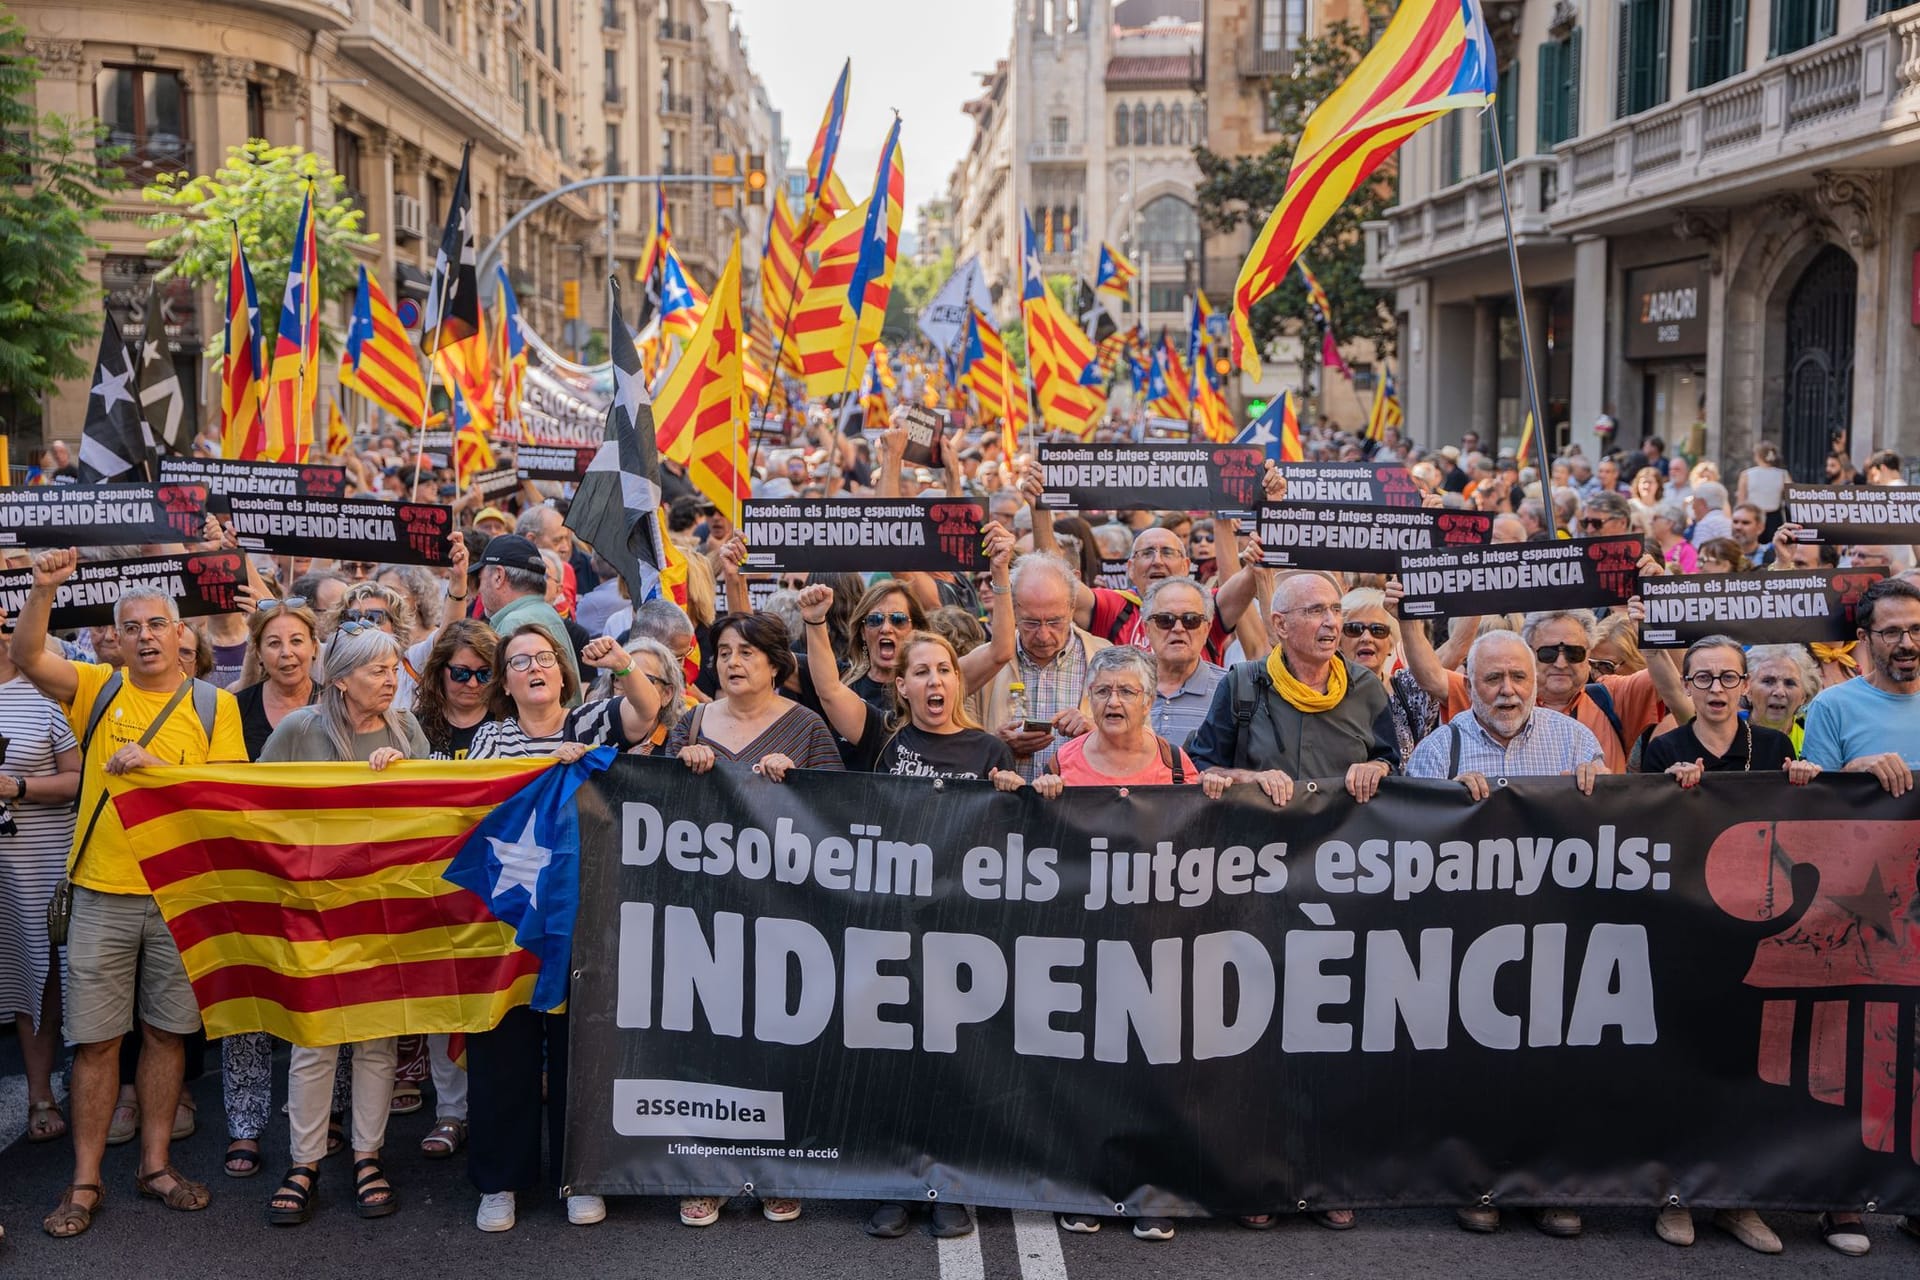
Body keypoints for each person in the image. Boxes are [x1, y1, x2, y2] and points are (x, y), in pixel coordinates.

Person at [13, 549, 246, 1238]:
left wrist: (159, 768)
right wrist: (44, 590)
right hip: (102, 893)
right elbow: (28, 656)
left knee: (166, 1034)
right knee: (96, 1043)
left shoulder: (215, 706)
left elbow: (228, 800)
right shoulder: (96, 686)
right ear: (114, 638)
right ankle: (85, 1183)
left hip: (179, 895)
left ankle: (154, 1166)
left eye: (157, 623)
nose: (145, 634)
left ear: (182, 635)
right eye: (131, 625)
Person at [466, 628, 673, 1234]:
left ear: (562, 673)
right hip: (508, 925)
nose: (533, 668)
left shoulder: (592, 722)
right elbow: (464, 803)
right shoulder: (490, 737)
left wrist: (622, 662)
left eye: (544, 659)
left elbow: (646, 712)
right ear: (505, 682)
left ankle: (580, 1175)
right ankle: (499, 1181)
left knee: (582, 1050)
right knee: (504, 1049)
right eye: (518, 661)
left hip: (587, 918)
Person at [1403, 630, 1601, 1239]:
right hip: (1469, 941)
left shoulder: (1578, 742)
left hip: (1554, 932)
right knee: (1474, 1065)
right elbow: (1405, 839)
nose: (1507, 691)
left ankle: (1550, 1189)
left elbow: (1612, 834)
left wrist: (1603, 794)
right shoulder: (1441, 749)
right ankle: (1478, 1186)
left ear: (1536, 681)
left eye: (1518, 677)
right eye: (1493, 679)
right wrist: (1443, 805)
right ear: (1471, 682)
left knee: (1553, 1062)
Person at [1639, 636, 1815, 1254]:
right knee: (1682, 1065)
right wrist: (1664, 790)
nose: (1716, 689)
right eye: (1704, 678)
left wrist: (1805, 782)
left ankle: (1738, 1201)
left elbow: (1805, 827)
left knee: (1747, 1068)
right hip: (1683, 929)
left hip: (1755, 931)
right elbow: (1637, 833)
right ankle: (1677, 1195)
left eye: (1728, 678)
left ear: (1745, 686)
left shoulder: (1771, 747)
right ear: (1686, 685)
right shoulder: (1663, 748)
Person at [664, 612, 837, 1229]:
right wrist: (678, 765)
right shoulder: (689, 723)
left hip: (782, 914)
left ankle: (775, 1171)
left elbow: (841, 816)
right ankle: (709, 1175)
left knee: (777, 1041)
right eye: (724, 652)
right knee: (708, 1044)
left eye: (747, 653)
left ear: (775, 663)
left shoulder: (807, 726)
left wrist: (801, 783)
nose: (733, 663)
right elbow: (655, 810)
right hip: (705, 912)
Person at [258, 624, 431, 1227]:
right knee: (315, 1038)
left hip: (382, 911)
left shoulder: (406, 730)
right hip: (315, 910)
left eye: (392, 668)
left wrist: (405, 772)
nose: (390, 679)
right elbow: (256, 805)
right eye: (377, 669)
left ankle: (366, 1156)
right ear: (340, 680)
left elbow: (430, 817)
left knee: (376, 1039)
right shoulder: (298, 730)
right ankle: (303, 1163)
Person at [1029, 644, 1199, 1243]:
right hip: (1081, 944)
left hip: (1158, 943)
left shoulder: (1180, 766)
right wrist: (1034, 799)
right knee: (1087, 1072)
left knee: (1156, 1075)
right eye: (1102, 691)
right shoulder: (1059, 760)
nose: (1114, 702)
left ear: (1151, 700)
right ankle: (1090, 1188)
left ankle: (1153, 1189)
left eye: (1127, 691)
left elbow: (1208, 846)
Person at [1397, 587, 1689, 776]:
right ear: (1529, 656)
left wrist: (1659, 606)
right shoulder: (1497, 698)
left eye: (1574, 653)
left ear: (1589, 655)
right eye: (1548, 653)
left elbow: (1682, 680)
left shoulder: (1611, 698)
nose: (1561, 662)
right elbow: (1428, 676)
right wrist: (1408, 618)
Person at [799, 586, 1021, 787]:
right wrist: (816, 621)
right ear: (902, 686)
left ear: (957, 679)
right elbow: (829, 690)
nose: (935, 680)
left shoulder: (991, 751)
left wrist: (1012, 787)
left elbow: (1003, 823)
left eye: (943, 670)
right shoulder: (883, 735)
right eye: (921, 672)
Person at [0, 607, 81, 1148]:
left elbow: (78, 778)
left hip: (37, 861)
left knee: (39, 976)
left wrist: (18, 788)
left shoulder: (43, 689)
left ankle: (40, 1094)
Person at [980, 554, 1112, 779]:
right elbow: (959, 746)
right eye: (1031, 623)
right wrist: (997, 744)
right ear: (1013, 609)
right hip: (1007, 806)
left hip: (1079, 808)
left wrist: (1095, 732)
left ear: (1072, 608)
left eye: (1054, 622)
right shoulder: (986, 662)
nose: (1043, 635)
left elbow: (1138, 742)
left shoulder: (1105, 659)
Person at [1338, 586, 1436, 765]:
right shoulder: (1322, 688)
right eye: (1354, 629)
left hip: (1401, 792)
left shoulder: (1408, 690)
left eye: (1378, 630)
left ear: (1390, 645)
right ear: (1338, 641)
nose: (1367, 637)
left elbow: (1440, 669)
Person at [474, 534, 581, 692]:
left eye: (480, 579)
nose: (479, 589)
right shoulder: (545, 612)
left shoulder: (514, 624)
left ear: (498, 576)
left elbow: (504, 700)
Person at [1141, 577, 1225, 750]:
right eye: (1165, 620)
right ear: (1147, 629)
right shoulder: (1122, 689)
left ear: (1207, 629)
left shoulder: (1230, 688)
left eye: (1190, 620)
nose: (1178, 628)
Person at [1744, 643, 1821, 751]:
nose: (1779, 692)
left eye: (1790, 683)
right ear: (1746, 689)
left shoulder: (1815, 738)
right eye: (1768, 681)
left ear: (1804, 696)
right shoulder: (1728, 731)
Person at [1735, 443, 1789, 537]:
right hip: (1774, 517)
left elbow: (1741, 500)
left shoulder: (1746, 474)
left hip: (1753, 517)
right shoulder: (1783, 474)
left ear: (1757, 456)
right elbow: (1790, 496)